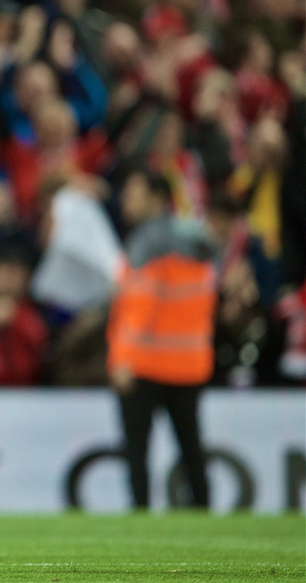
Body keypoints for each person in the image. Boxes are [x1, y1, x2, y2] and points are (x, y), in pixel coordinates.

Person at [108, 170, 215, 510]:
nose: (126, 198)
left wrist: (121, 360)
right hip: (190, 363)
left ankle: (140, 516)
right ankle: (204, 521)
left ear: (155, 198)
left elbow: (137, 310)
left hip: (146, 363)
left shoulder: (146, 244)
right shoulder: (196, 240)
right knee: (192, 450)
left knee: (137, 452)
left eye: (133, 191)